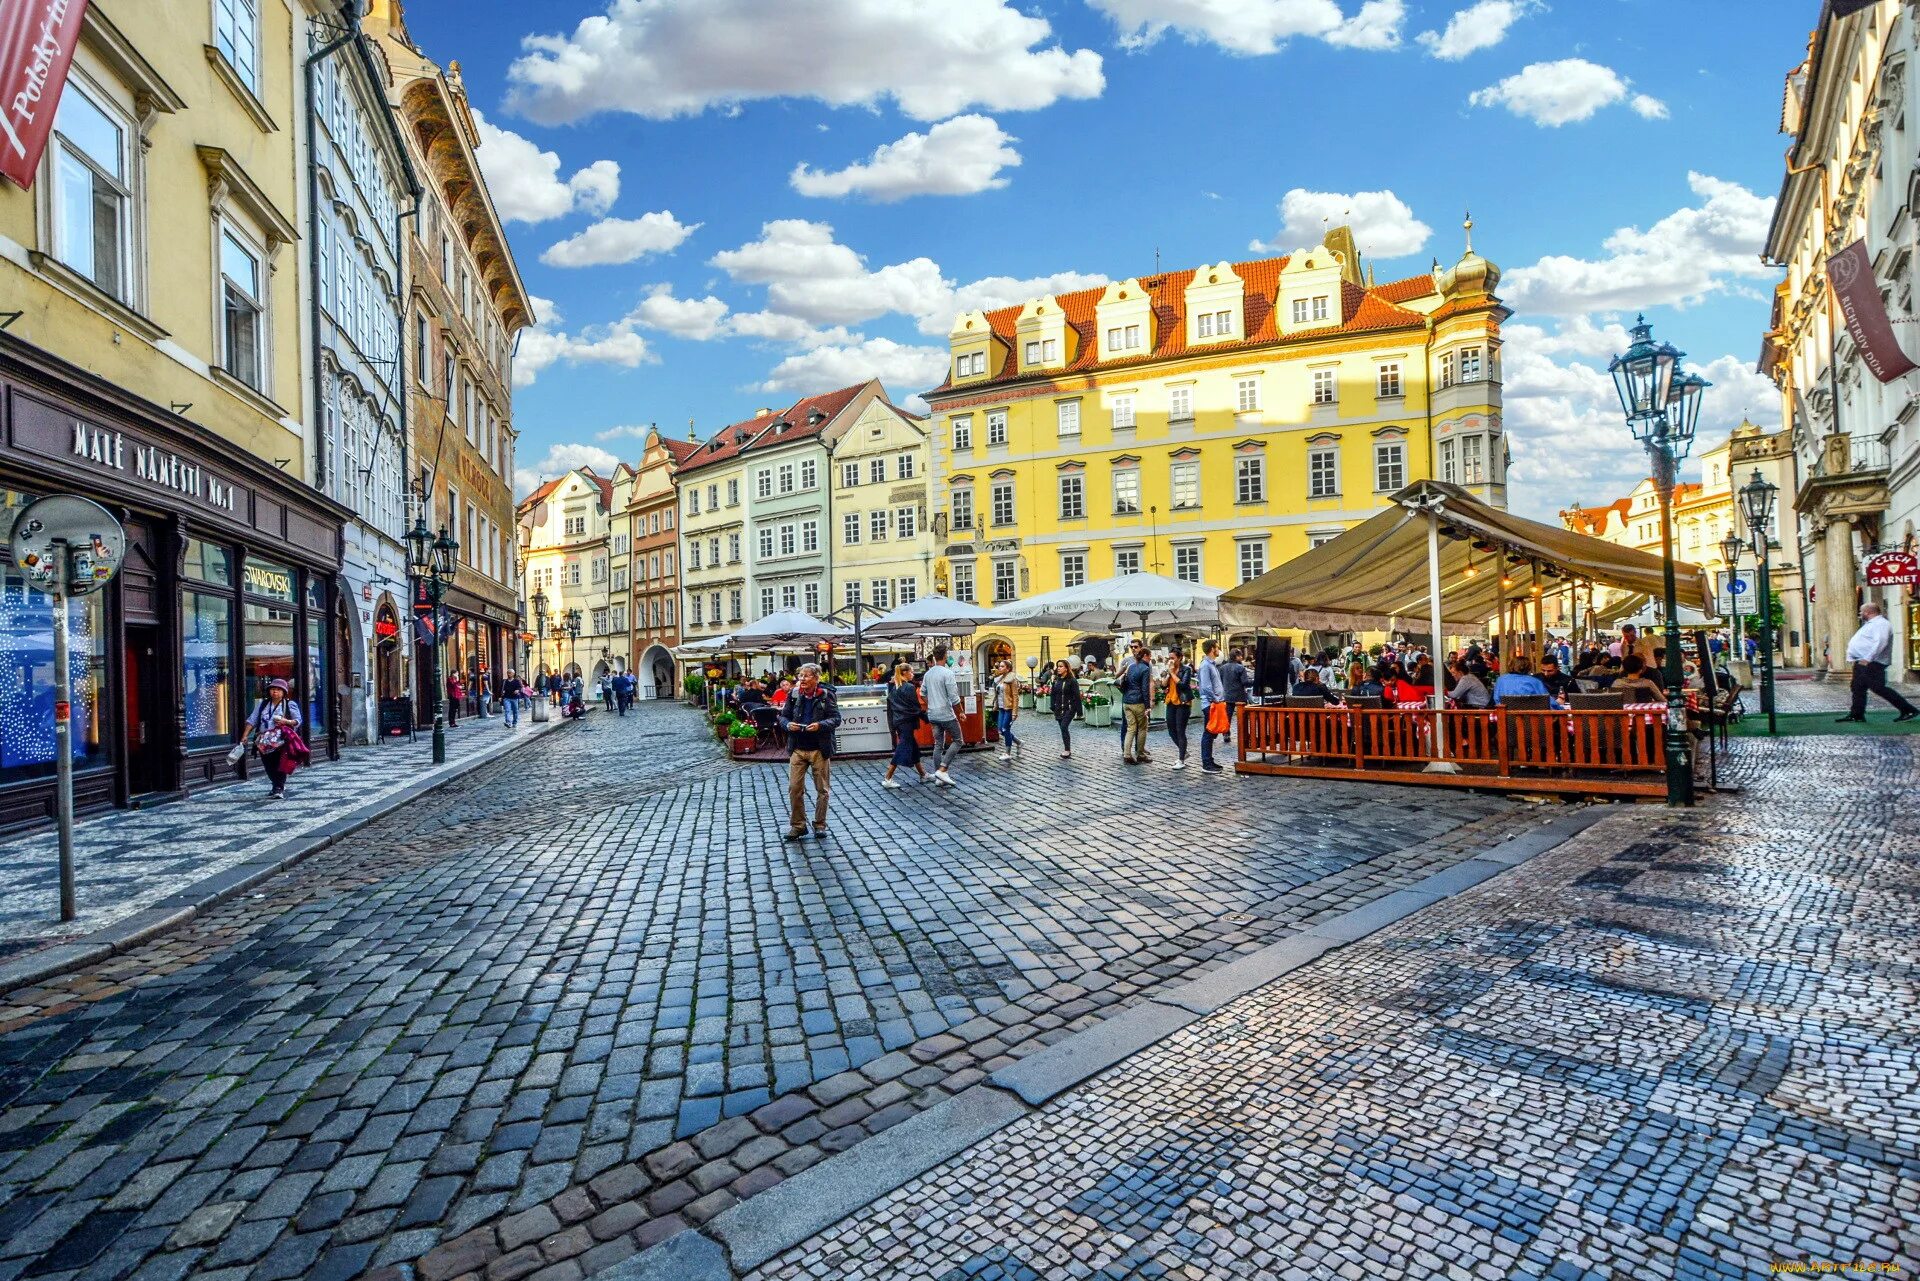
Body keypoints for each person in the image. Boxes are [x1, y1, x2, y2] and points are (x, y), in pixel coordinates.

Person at [779, 664, 841, 839]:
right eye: (800, 675)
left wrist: (820, 726)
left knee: (822, 789)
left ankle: (820, 824)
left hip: (819, 749)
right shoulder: (794, 694)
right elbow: (783, 716)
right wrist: (787, 725)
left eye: (806, 676)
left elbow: (836, 719)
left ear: (816, 678)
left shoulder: (826, 695)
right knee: (794, 788)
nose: (802, 679)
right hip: (797, 748)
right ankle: (798, 826)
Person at [1839, 601, 1920, 722]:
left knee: (1878, 688)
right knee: (1857, 687)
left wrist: (1868, 658)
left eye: (1861, 611)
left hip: (1872, 662)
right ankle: (1856, 714)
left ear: (1868, 612)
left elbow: (1881, 642)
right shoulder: (1871, 624)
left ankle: (1908, 709)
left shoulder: (1881, 624)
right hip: (1863, 662)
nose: (1860, 614)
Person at [240, 678, 304, 799]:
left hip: (281, 740)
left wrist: (286, 721)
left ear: (284, 692)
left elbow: (298, 721)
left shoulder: (289, 704)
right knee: (268, 764)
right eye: (273, 689)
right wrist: (245, 735)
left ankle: (278, 787)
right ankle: (276, 784)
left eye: (278, 690)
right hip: (264, 740)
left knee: (280, 763)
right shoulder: (263, 704)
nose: (275, 692)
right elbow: (252, 720)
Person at [882, 663, 929, 787]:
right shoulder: (908, 687)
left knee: (913, 748)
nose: (913, 674)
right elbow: (915, 707)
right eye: (911, 672)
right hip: (907, 722)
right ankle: (888, 777)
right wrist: (927, 718)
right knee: (901, 749)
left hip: (898, 722)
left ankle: (923, 774)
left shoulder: (894, 687)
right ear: (904, 673)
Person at [922, 644, 963, 785]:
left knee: (938, 744)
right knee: (958, 740)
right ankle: (943, 768)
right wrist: (961, 712)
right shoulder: (947, 673)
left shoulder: (928, 674)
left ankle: (939, 777)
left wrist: (930, 704)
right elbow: (954, 697)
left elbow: (922, 693)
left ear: (934, 657)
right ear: (945, 656)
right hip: (945, 713)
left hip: (932, 714)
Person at [1119, 643, 1155, 764]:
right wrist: (1148, 706)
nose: (1150, 658)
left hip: (1126, 701)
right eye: (1149, 656)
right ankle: (1140, 754)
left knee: (1131, 728)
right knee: (1142, 729)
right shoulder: (1145, 668)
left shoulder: (1131, 666)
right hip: (1138, 702)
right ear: (1145, 656)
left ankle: (1127, 754)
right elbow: (1145, 688)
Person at [1161, 649, 1195, 769]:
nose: (1171, 660)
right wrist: (1168, 673)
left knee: (1180, 730)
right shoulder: (1169, 669)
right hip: (1171, 701)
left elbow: (1183, 685)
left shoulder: (1186, 669)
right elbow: (1163, 685)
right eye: (1169, 658)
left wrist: (1173, 673)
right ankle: (1184, 752)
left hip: (1182, 702)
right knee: (1171, 729)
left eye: (1173, 658)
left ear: (1180, 658)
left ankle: (1181, 759)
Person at [1197, 639, 1227, 774]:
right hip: (1211, 704)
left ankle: (1209, 760)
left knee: (1212, 733)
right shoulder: (1205, 665)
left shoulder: (1211, 664)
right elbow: (1206, 687)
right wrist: (1215, 699)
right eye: (1217, 647)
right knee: (1209, 733)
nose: (1218, 650)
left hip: (1214, 703)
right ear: (1212, 649)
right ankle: (1206, 763)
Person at [1049, 658, 1083, 758]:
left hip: (1069, 708)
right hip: (1058, 708)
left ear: (1066, 668)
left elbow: (1077, 696)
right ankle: (1067, 748)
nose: (1058, 668)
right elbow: (1053, 694)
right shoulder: (1056, 680)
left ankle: (1067, 750)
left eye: (1061, 666)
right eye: (1058, 666)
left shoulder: (1072, 681)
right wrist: (1052, 706)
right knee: (1063, 729)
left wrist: (1079, 711)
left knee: (1064, 726)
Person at [1492, 656, 1556, 707]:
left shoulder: (1501, 680)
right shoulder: (1534, 681)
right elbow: (1548, 701)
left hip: (1506, 719)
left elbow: (1496, 699)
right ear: (1529, 667)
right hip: (1532, 720)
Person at [994, 659, 1023, 761]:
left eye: (1002, 666)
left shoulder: (1012, 680)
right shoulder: (1000, 679)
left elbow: (1015, 696)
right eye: (1000, 666)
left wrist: (1015, 712)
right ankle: (1019, 742)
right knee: (1000, 730)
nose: (1000, 668)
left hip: (1009, 708)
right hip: (1001, 708)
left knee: (1006, 729)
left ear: (1008, 668)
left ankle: (1007, 752)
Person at [1220, 647, 1251, 745]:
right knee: (1242, 717)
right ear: (1237, 656)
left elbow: (1221, 681)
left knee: (1227, 717)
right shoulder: (1240, 668)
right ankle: (1244, 735)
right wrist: (1255, 681)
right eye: (1241, 655)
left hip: (1227, 696)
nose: (1242, 657)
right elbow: (1245, 682)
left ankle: (1226, 734)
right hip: (1239, 696)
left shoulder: (1223, 668)